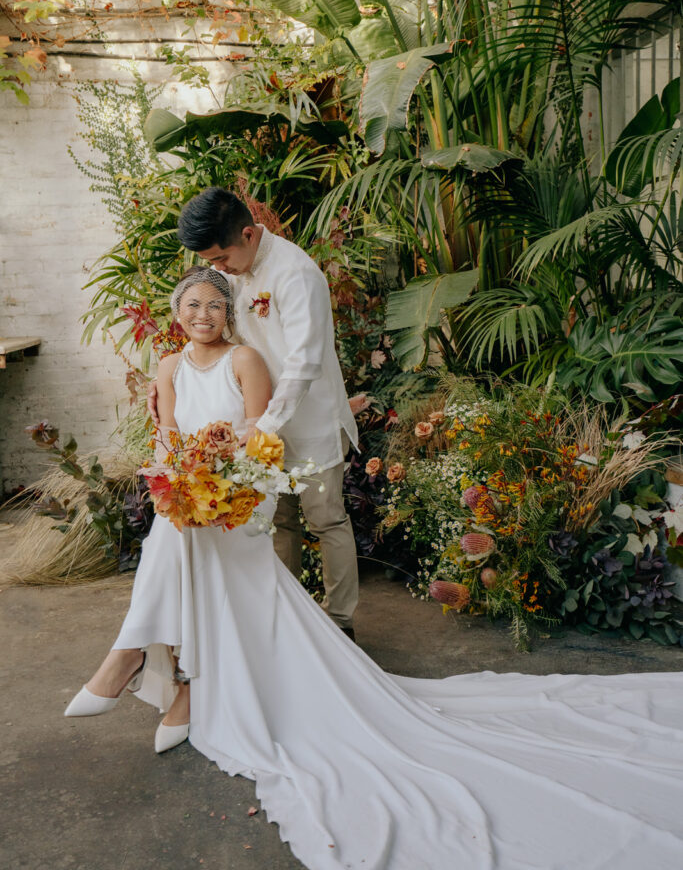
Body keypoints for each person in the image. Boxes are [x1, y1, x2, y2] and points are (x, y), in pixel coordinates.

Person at [64, 266, 683, 870]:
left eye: (214, 305)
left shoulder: (246, 360)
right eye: (192, 306)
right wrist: (178, 479)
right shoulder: (168, 367)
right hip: (193, 494)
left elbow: (257, 435)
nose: (203, 316)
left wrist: (220, 480)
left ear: (229, 312)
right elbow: (168, 435)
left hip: (239, 497)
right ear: (176, 314)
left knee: (176, 538)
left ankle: (141, 658)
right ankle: (180, 678)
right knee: (173, 529)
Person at [149, 188, 360, 639]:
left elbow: (305, 363)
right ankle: (283, 613)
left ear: (248, 234)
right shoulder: (229, 266)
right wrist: (166, 381)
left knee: (326, 520)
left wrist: (262, 428)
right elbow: (208, 326)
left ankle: (340, 622)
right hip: (254, 424)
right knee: (277, 520)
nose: (217, 268)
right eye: (210, 260)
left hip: (309, 422)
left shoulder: (296, 274)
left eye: (221, 258)